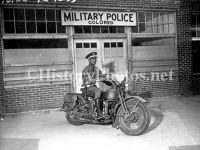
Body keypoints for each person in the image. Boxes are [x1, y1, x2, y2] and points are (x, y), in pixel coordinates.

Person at [82, 52, 106, 119]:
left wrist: (106, 77)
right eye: (92, 59)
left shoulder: (96, 69)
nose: (94, 60)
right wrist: (91, 80)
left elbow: (102, 76)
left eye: (95, 59)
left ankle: (104, 110)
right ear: (89, 60)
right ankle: (99, 114)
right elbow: (85, 80)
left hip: (93, 87)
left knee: (104, 92)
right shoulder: (86, 69)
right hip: (87, 88)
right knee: (98, 91)